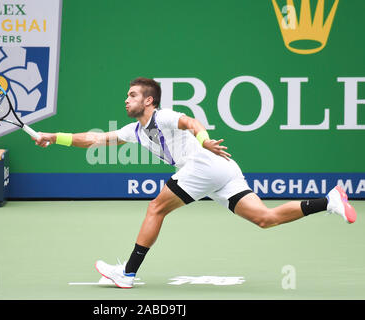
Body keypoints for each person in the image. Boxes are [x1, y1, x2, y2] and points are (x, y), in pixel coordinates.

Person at [33, 77, 357, 289]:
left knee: (156, 207)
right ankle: (328, 202)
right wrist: (53, 136)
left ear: (149, 101)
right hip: (222, 171)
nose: (126, 100)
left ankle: (128, 273)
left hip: (203, 163)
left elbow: (189, 121)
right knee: (264, 218)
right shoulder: (133, 131)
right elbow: (93, 139)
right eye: (127, 95)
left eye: (132, 95)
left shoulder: (163, 117)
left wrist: (204, 140)